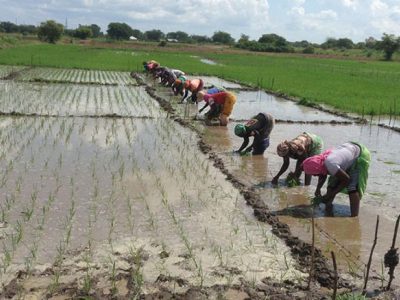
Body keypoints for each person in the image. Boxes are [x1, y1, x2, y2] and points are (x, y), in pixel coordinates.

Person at [302, 142, 371, 217]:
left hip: (359, 154)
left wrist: (332, 193)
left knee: (352, 187)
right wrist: (318, 189)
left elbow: (347, 180)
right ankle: (328, 209)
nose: (314, 176)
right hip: (348, 151)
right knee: (331, 184)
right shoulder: (321, 162)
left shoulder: (330, 164)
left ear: (317, 169)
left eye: (314, 174)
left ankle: (354, 217)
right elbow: (323, 174)